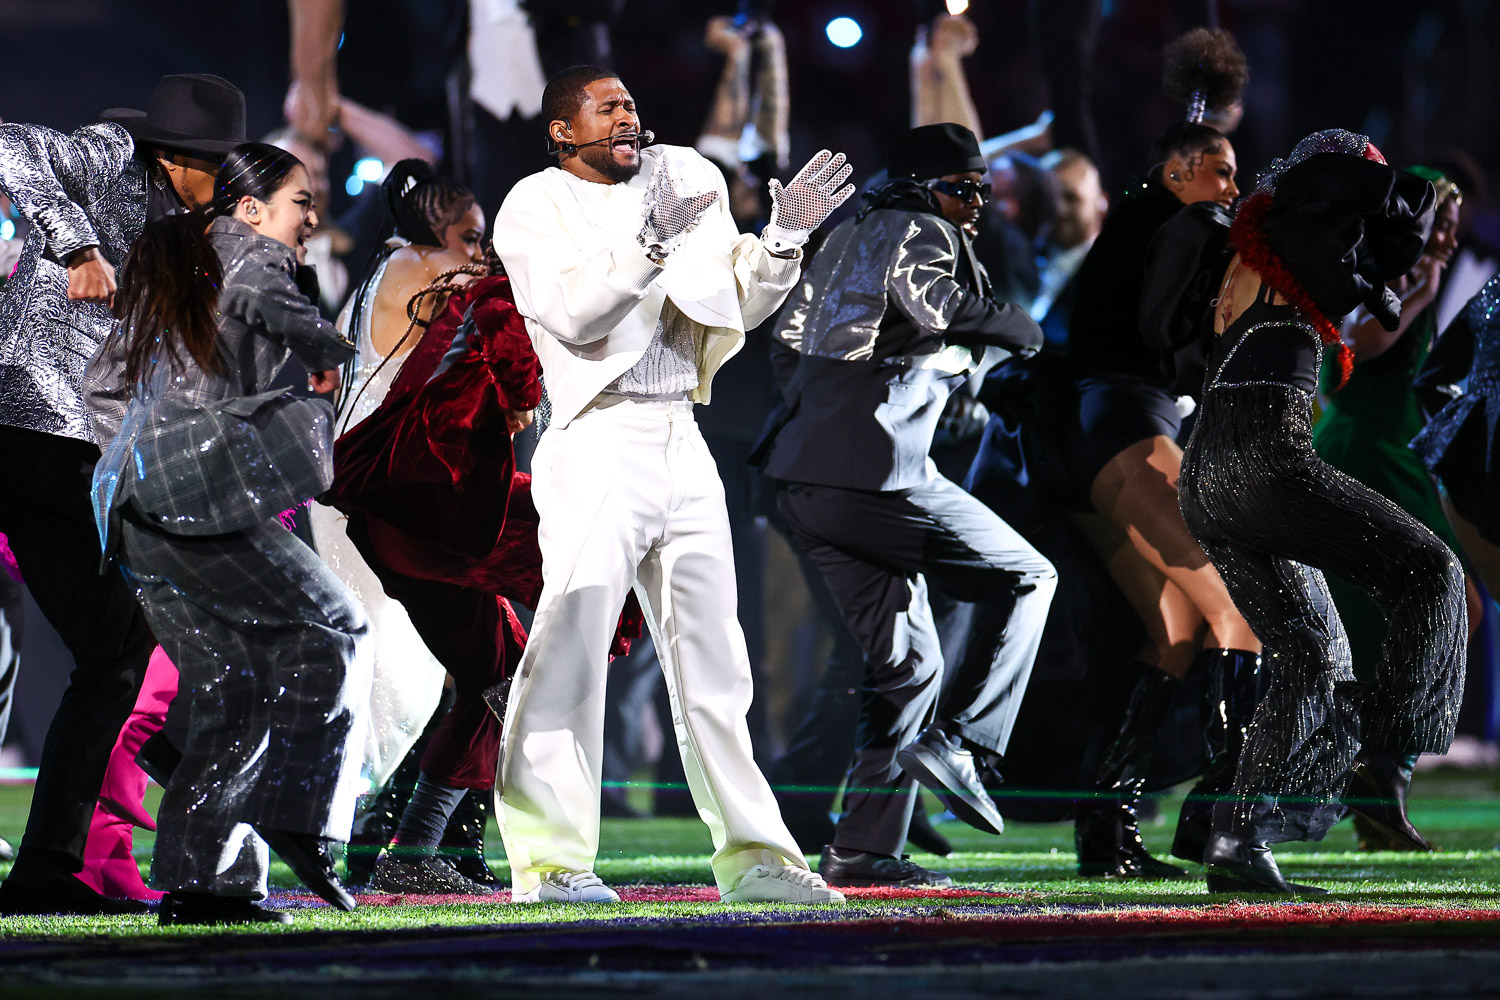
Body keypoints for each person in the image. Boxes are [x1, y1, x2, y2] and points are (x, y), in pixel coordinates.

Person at [491, 64, 848, 904]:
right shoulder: (531, 203)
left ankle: (760, 860)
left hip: (681, 434)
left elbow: (731, 301)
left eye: (632, 103)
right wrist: (648, 242)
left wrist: (783, 242)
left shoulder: (684, 174)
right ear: (561, 130)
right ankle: (549, 864)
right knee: (571, 646)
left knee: (716, 658)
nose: (627, 115)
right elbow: (577, 317)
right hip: (594, 436)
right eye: (606, 106)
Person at [756, 123, 1050, 886]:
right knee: (1028, 577)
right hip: (873, 473)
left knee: (910, 667)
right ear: (926, 187)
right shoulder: (915, 225)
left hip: (804, 476)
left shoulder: (851, 232)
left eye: (983, 188)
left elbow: (791, 340)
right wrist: (1027, 330)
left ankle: (863, 849)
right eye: (966, 187)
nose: (978, 203)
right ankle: (966, 744)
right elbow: (941, 306)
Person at [85, 142, 370, 925]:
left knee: (231, 691)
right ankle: (296, 810)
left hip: (132, 505)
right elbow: (287, 315)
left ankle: (205, 882)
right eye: (300, 201)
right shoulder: (252, 254)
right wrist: (332, 353)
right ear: (250, 209)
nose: (312, 217)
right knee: (336, 623)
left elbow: (101, 385)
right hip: (197, 496)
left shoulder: (173, 265)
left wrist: (139, 462)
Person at [1175, 130, 1465, 894]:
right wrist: (1375, 175)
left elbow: (1373, 279)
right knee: (1433, 569)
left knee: (1310, 658)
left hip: (1208, 473)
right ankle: (1379, 749)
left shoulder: (1259, 254)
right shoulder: (1287, 229)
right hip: (1266, 460)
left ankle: (1235, 838)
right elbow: (1377, 202)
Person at [0, 74, 246, 916]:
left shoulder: (185, 230)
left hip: (62, 453)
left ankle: (45, 871)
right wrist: (78, 248)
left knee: (116, 654)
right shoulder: (113, 157)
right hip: (32, 427)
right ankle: (231, 816)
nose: (232, 185)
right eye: (222, 168)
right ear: (179, 159)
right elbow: (7, 140)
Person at [1061, 28, 1261, 879]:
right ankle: (1221, 827)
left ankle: (1106, 833)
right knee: (1240, 621)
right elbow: (1162, 336)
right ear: (1180, 169)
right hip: (1131, 426)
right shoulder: (1183, 220)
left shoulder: (1138, 222)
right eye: (1220, 173)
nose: (1233, 191)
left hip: (1086, 436)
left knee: (1175, 633)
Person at [307, 160, 493, 891]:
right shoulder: (420, 268)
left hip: (367, 489)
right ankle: (365, 837)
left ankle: (379, 841)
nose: (481, 254)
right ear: (432, 233)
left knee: (413, 671)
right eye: (471, 238)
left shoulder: (379, 275)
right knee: (404, 677)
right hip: (384, 493)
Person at [1311, 168, 1472, 851]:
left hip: (1398, 456)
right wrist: (1421, 292)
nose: (1450, 234)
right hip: (1365, 452)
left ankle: (1379, 781)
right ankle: (1373, 782)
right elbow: (1350, 354)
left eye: (1455, 223)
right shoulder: (1394, 271)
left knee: (1438, 606)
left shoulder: (1416, 275)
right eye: (1441, 219)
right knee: (1429, 603)